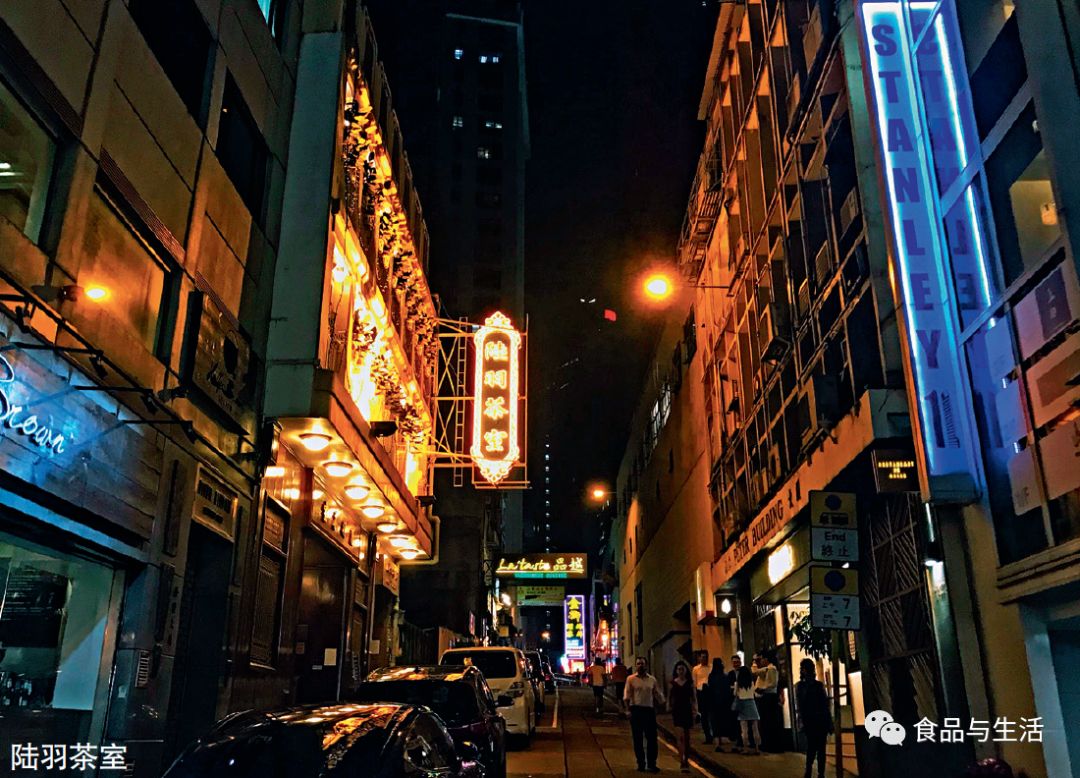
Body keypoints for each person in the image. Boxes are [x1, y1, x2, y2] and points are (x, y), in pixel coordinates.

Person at [623, 657, 665, 773]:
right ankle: (641, 763)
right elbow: (626, 696)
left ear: (646, 665)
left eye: (642, 663)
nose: (640, 665)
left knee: (652, 738)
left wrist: (661, 706)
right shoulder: (631, 679)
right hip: (636, 710)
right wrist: (628, 710)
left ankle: (652, 763)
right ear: (636, 666)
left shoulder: (652, 680)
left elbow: (658, 694)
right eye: (638, 664)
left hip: (649, 710)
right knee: (638, 738)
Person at [794, 659, 832, 778]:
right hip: (818, 720)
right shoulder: (817, 685)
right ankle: (820, 773)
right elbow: (825, 705)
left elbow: (800, 705)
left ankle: (810, 771)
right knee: (820, 748)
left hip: (811, 720)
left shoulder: (801, 686)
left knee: (812, 747)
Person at [670, 660, 697, 772]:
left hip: (687, 710)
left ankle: (687, 759)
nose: (680, 671)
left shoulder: (690, 683)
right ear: (676, 671)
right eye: (679, 669)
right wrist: (669, 706)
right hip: (677, 710)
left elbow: (694, 698)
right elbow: (669, 697)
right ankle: (682, 761)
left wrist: (695, 710)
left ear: (686, 670)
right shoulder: (673, 683)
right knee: (680, 736)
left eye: (682, 669)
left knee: (687, 738)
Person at [753, 652, 781, 751]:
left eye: (762, 659)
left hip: (768, 697)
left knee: (768, 722)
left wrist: (762, 689)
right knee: (766, 722)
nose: (761, 661)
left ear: (767, 659)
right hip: (766, 697)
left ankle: (770, 745)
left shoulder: (771, 669)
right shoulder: (767, 669)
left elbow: (772, 684)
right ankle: (768, 744)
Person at [733, 664, 761, 754]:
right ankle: (757, 748)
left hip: (742, 705)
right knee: (755, 729)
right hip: (752, 704)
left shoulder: (738, 684)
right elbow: (754, 693)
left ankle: (745, 748)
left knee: (744, 730)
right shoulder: (751, 682)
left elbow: (735, 694)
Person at [707, 657, 733, 752]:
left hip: (714, 703)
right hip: (724, 703)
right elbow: (728, 690)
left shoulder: (711, 676)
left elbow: (710, 689)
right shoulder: (725, 676)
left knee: (715, 722)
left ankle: (717, 742)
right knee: (723, 721)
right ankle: (723, 740)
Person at [691, 651, 713, 744]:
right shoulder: (696, 669)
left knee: (711, 714)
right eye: (702, 657)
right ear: (699, 658)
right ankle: (707, 735)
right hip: (700, 692)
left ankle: (713, 734)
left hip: (710, 691)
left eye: (705, 657)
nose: (704, 659)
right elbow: (694, 682)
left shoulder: (711, 667)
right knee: (703, 715)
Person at [726, 654, 744, 748]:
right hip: (734, 700)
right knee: (736, 720)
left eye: (737, 662)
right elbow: (728, 687)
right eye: (734, 662)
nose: (736, 664)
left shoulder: (744, 672)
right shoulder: (730, 674)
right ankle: (738, 738)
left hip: (743, 699)